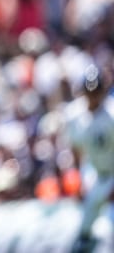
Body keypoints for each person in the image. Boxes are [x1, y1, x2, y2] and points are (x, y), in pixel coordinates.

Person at [65, 64, 114, 253]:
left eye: (96, 92)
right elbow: (76, 148)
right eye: (89, 92)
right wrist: (78, 178)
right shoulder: (74, 115)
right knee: (84, 227)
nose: (93, 97)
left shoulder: (111, 114)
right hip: (94, 172)